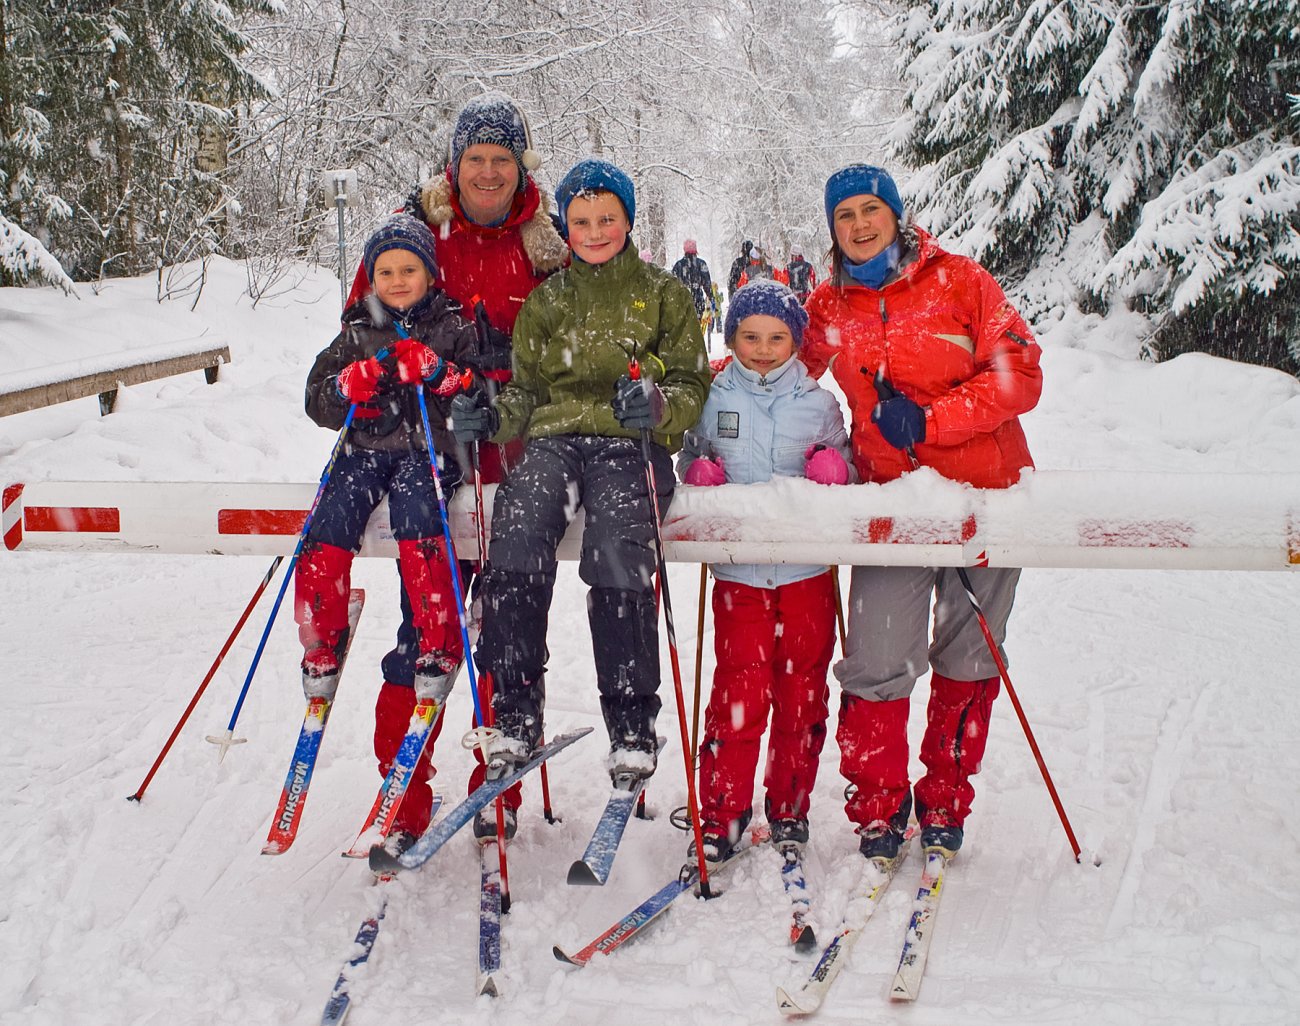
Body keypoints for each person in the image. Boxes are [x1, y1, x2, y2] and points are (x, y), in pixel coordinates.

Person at [449, 159, 710, 835]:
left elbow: (690, 384)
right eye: (583, 221)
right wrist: (492, 416)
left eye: (608, 219)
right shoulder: (549, 300)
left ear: (627, 221)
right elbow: (527, 394)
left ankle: (630, 720)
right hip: (557, 441)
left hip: (630, 444)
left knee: (620, 547)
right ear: (567, 225)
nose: (595, 232)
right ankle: (515, 708)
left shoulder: (663, 296)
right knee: (518, 528)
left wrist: (657, 405)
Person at [799, 164, 1043, 863]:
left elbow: (1020, 371)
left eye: (872, 209)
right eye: (844, 216)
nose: (859, 225)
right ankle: (878, 807)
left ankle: (944, 802)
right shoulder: (828, 308)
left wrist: (933, 420)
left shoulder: (961, 281)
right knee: (875, 662)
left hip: (983, 500)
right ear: (833, 229)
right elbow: (775, 369)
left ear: (897, 214)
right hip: (892, 503)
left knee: (970, 658)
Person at [345, 92, 569, 836]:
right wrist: (395, 376)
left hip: (515, 461)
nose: (488, 172)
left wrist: (500, 376)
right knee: (429, 624)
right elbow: (365, 323)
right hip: (432, 459)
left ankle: (495, 787)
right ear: (455, 162)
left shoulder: (548, 241)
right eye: (475, 158)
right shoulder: (417, 230)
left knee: (509, 632)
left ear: (521, 165)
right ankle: (403, 788)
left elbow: (567, 350)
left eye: (502, 159)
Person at [298, 214, 481, 853]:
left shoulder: (453, 325)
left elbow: (478, 395)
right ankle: (321, 630)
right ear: (370, 277)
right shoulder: (354, 332)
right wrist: (349, 386)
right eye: (386, 271)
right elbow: (317, 399)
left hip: (424, 455)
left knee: (418, 519)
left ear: (430, 273)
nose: (398, 281)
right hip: (365, 448)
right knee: (328, 522)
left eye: (410, 269)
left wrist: (440, 376)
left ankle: (436, 635)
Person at [677, 279, 855, 861]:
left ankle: (790, 806)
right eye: (750, 336)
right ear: (732, 337)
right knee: (738, 692)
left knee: (801, 692)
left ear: (796, 343)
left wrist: (837, 471)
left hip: (806, 577)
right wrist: (698, 473)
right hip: (740, 578)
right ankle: (724, 811)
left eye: (777, 337)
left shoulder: (818, 403)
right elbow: (690, 451)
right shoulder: (712, 394)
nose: (762, 347)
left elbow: (847, 461)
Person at [671, 239, 718, 337]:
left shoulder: (678, 265)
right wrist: (711, 297)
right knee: (697, 328)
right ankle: (696, 345)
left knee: (683, 329)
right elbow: (707, 283)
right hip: (697, 301)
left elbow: (672, 286)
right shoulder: (701, 264)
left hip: (682, 302)